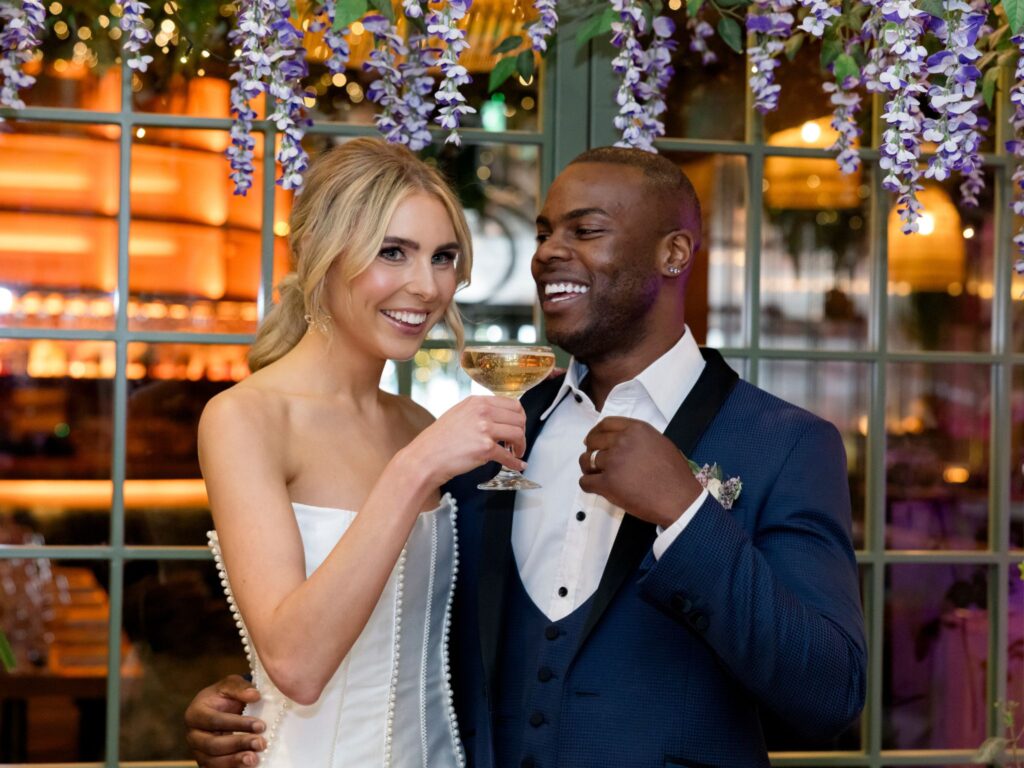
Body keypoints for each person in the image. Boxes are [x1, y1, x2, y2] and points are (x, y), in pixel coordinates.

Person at [185, 147, 866, 767]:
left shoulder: (784, 443)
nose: (547, 254)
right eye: (543, 233)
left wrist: (687, 512)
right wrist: (249, 703)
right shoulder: (488, 440)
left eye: (585, 230)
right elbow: (370, 629)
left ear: (674, 253)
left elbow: (830, 694)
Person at [195, 136, 528, 766]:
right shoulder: (246, 418)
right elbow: (295, 665)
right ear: (324, 253)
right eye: (392, 252)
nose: (427, 287)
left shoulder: (414, 421)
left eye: (443, 257)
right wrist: (416, 467)